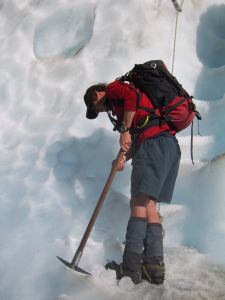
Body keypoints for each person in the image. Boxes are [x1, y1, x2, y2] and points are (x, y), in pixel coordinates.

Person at [83, 79, 181, 284]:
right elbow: (144, 129)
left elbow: (130, 98)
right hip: (168, 146)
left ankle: (130, 268)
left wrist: (124, 130)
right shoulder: (132, 110)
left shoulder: (113, 88)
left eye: (98, 107)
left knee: (137, 202)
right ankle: (154, 268)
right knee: (149, 204)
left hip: (153, 145)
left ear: (96, 94)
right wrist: (124, 157)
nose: (102, 110)